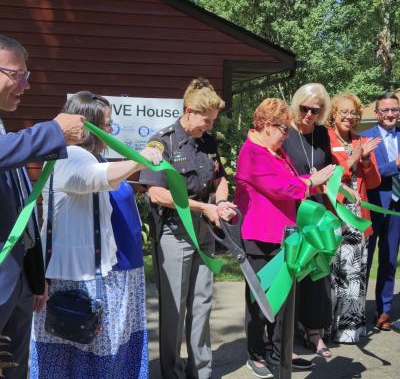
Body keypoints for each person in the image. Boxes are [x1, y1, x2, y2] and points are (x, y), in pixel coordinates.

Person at [30, 91, 162, 378]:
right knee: (81, 354)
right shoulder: (68, 154)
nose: (110, 131)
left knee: (91, 353)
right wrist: (143, 159)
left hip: (90, 274)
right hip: (76, 279)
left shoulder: (86, 155)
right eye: (106, 125)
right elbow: (99, 177)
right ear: (87, 125)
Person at [0, 34, 85, 379]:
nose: (25, 85)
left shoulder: (6, 130)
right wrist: (53, 132)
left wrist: (35, 276)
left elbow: (23, 209)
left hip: (17, 279)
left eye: (27, 76)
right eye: (16, 74)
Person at [139, 78, 236, 379]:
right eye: (206, 120)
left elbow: (220, 179)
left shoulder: (207, 141)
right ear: (189, 111)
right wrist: (203, 207)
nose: (208, 126)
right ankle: (172, 371)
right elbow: (155, 193)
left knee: (202, 304)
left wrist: (221, 202)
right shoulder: (162, 142)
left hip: (204, 232)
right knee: (174, 310)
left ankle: (201, 372)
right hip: (174, 234)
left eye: (212, 122)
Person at [234, 97, 335, 378]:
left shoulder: (276, 151)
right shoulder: (251, 152)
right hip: (260, 237)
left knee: (284, 303)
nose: (287, 135)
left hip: (285, 236)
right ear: (267, 125)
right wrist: (309, 183)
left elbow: (293, 181)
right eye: (283, 129)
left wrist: (315, 184)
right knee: (261, 302)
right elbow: (280, 187)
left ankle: (280, 355)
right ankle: (256, 354)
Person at [282, 83, 335, 358]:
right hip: (290, 210)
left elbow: (329, 171)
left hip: (315, 211)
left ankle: (314, 332)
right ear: (296, 104)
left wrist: (344, 190)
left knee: (318, 275)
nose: (309, 114)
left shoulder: (322, 134)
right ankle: (286, 336)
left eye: (315, 110)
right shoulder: (285, 131)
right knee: (292, 275)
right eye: (304, 108)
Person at [326, 93, 381, 343]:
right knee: (331, 271)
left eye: (354, 113)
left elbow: (374, 181)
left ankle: (349, 330)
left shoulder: (362, 139)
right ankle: (325, 327)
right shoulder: (324, 139)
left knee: (354, 272)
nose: (350, 117)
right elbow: (334, 175)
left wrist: (367, 159)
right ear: (333, 114)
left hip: (358, 215)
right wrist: (356, 156)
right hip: (334, 213)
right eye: (344, 112)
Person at [360, 92, 400, 331]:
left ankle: (383, 311)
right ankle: (356, 312)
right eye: (384, 110)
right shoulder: (366, 138)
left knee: (389, 259)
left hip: (397, 207)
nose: (390, 114)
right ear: (376, 113)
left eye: (394, 110)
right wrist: (395, 165)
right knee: (365, 259)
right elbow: (370, 173)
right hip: (374, 205)